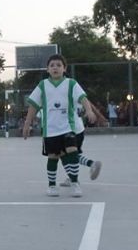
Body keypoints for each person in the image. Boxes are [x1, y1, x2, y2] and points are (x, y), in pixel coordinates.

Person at [22, 54, 96, 197]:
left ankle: (74, 183)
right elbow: (33, 105)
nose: (55, 68)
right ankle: (52, 185)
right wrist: (27, 123)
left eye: (58, 65)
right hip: (50, 129)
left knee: (72, 152)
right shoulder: (42, 85)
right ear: (47, 69)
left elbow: (83, 98)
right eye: (52, 65)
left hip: (68, 127)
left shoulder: (71, 84)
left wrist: (89, 110)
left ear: (64, 68)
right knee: (53, 157)